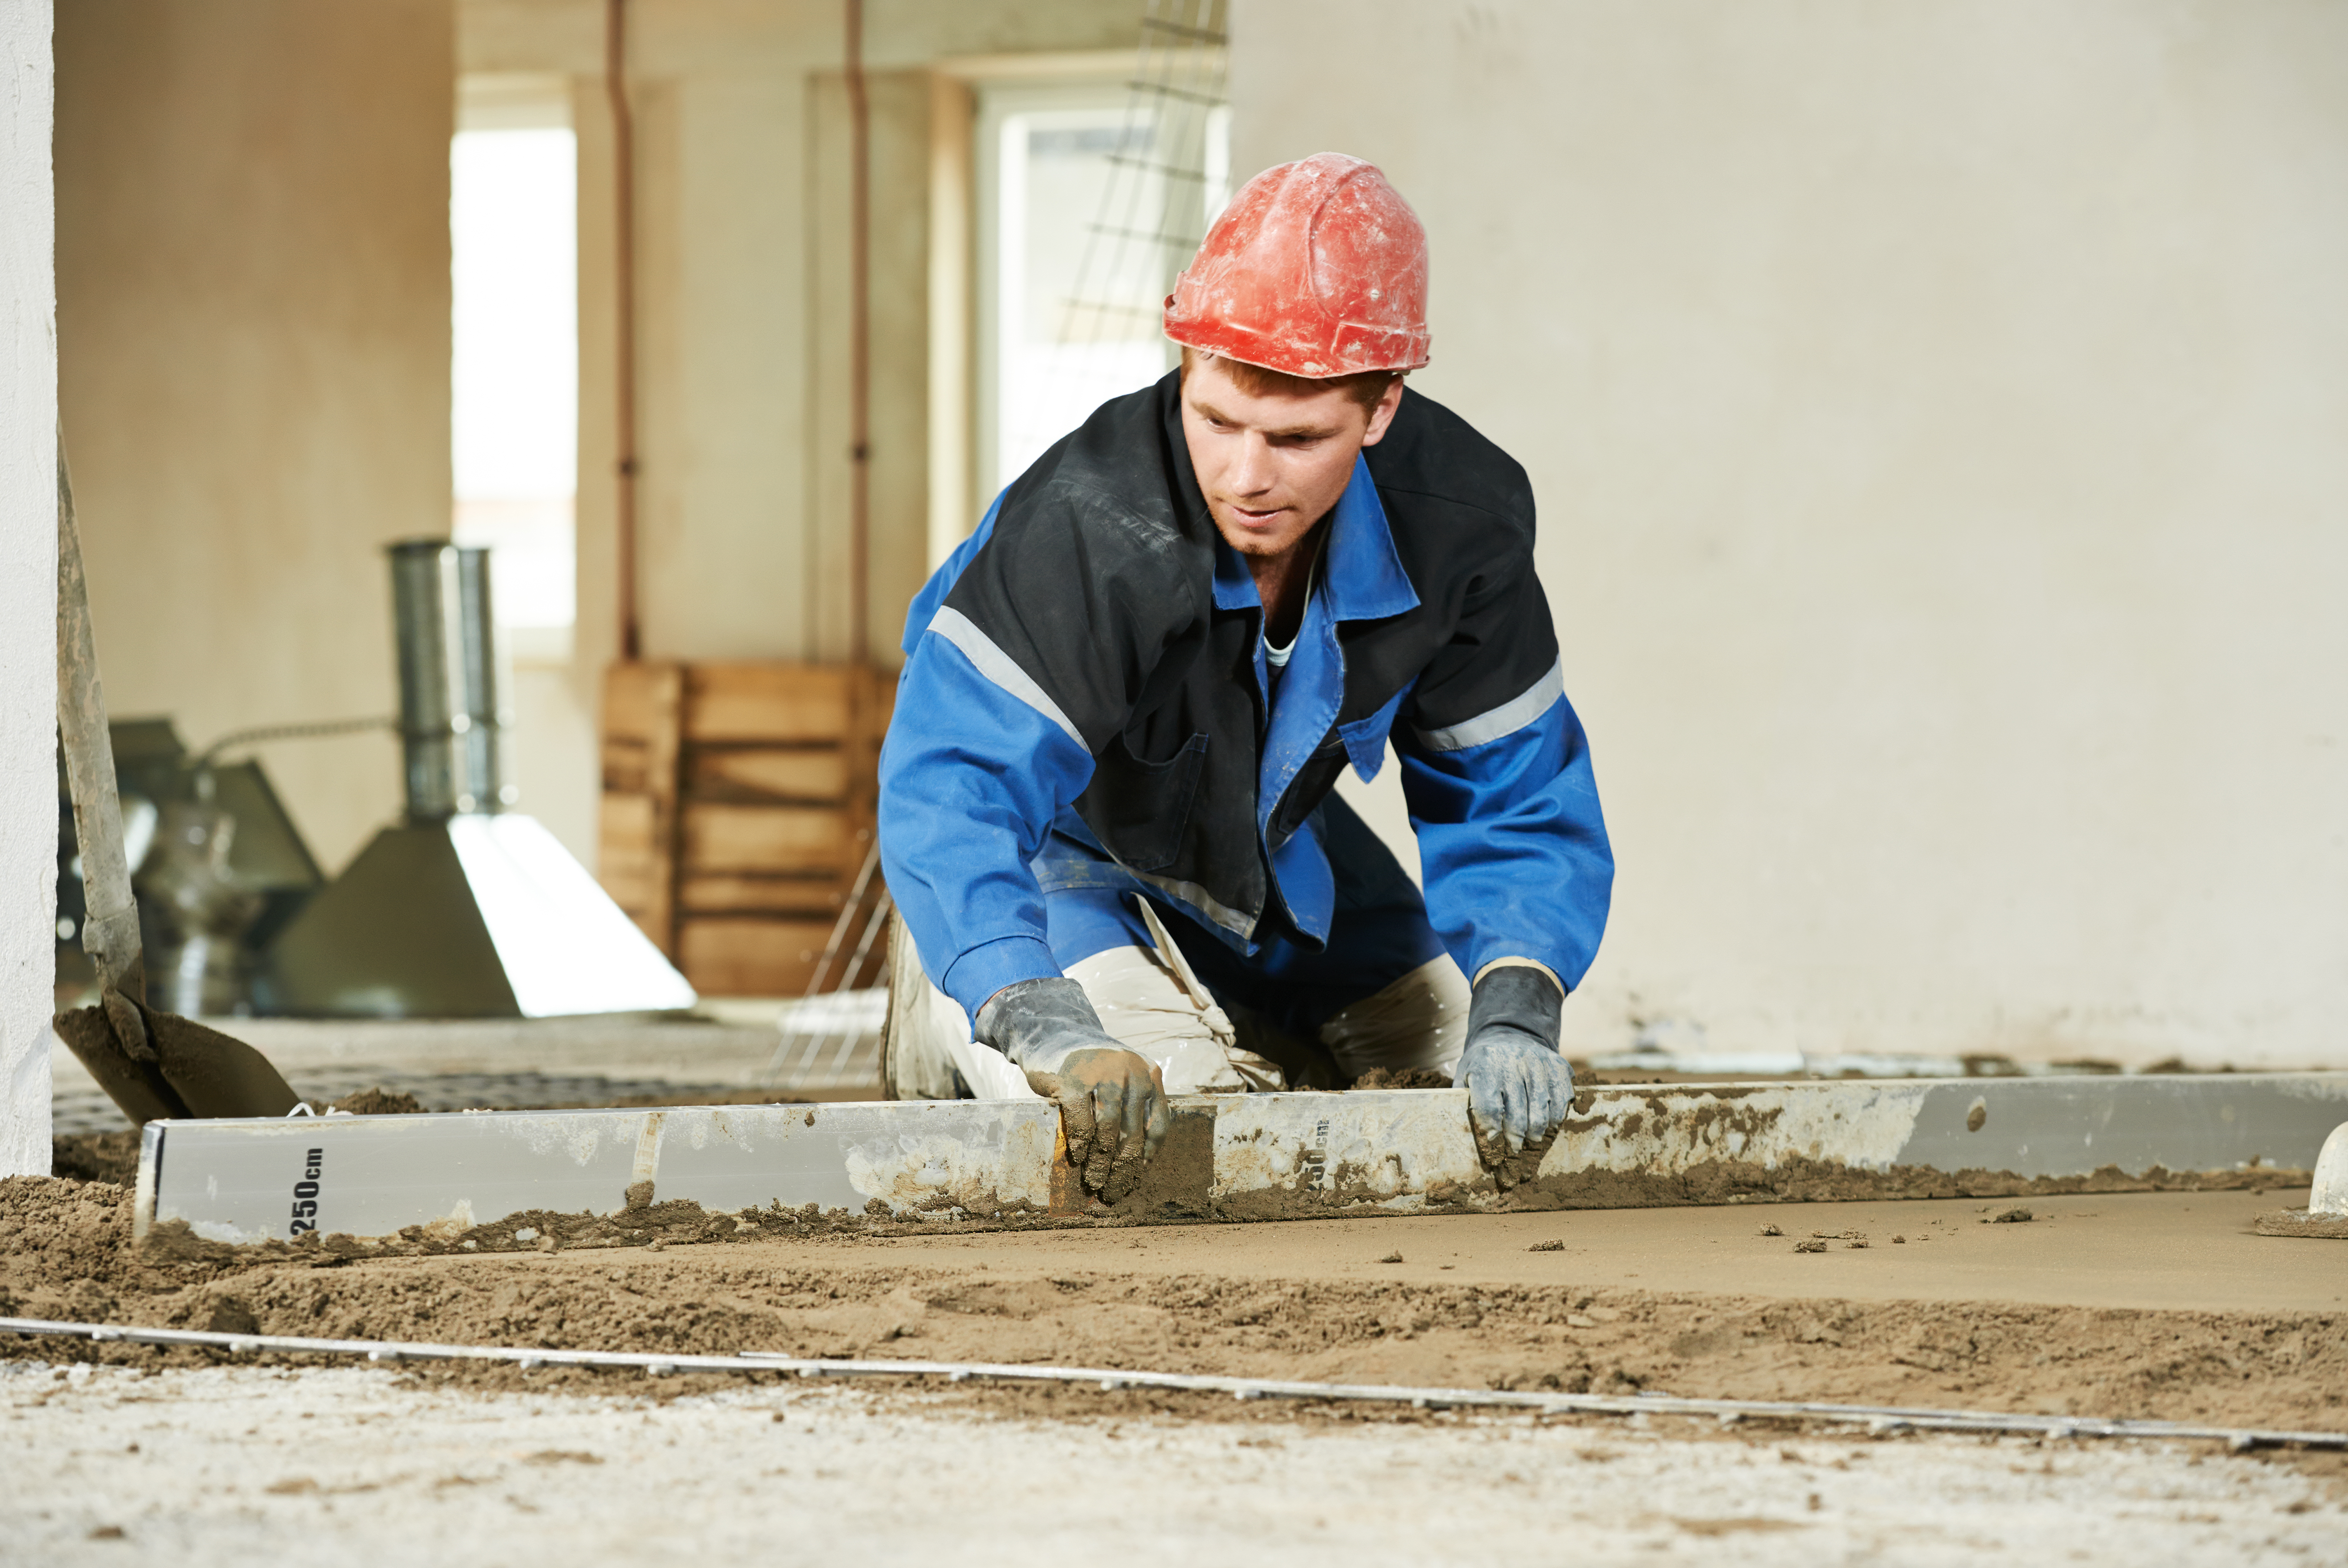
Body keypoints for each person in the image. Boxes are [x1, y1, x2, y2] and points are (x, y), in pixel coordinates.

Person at [877, 152, 1612, 1199]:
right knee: (1158, 1137)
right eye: (1216, 419)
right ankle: (960, 994)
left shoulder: (1464, 529)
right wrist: (1030, 1005)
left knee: (1467, 1083)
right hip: (1058, 848)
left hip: (1264, 848)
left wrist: (1520, 1005)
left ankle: (1257, 1019)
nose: (1246, 476)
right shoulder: (1087, 528)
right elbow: (955, 788)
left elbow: (1514, 790)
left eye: (1297, 438)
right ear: (1187, 364)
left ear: (1382, 410)